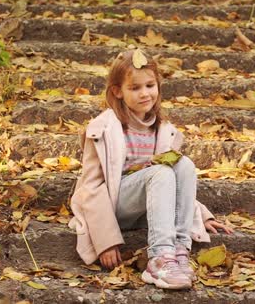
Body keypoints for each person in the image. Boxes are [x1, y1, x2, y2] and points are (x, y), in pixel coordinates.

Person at [69, 49, 232, 290]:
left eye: (150, 85)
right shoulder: (103, 129)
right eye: (135, 88)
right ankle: (159, 258)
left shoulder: (163, 129)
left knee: (183, 164)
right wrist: (104, 239)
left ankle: (178, 251)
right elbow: (90, 187)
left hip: (150, 206)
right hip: (116, 205)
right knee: (161, 171)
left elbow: (175, 183)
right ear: (118, 92)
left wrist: (200, 215)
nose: (145, 93)